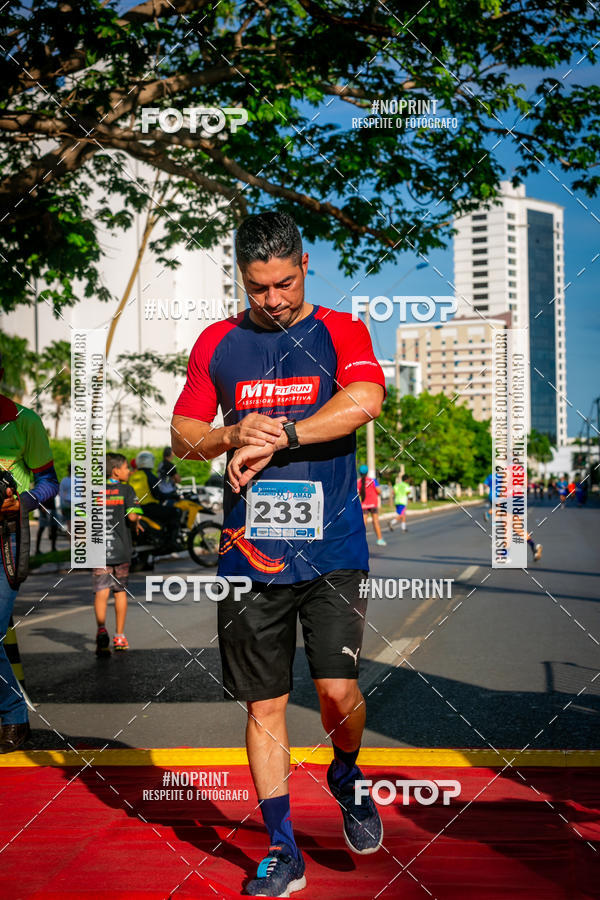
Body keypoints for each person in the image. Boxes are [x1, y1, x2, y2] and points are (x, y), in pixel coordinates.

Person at [172, 210, 385, 897]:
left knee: (335, 692)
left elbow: (365, 399)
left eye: (285, 283)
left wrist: (284, 437)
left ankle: (348, 773)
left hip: (333, 550)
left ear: (304, 265)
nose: (275, 299)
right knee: (263, 707)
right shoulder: (218, 343)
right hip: (248, 558)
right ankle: (283, 849)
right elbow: (182, 435)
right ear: (242, 276)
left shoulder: (340, 330)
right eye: (260, 287)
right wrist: (232, 434)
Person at [0, 356, 59, 752]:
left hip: (6, 537)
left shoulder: (24, 421)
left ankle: (13, 715)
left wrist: (20, 501)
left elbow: (49, 483)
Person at [93, 454, 142, 654]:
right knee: (120, 591)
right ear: (116, 471)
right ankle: (120, 636)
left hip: (98, 551)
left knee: (101, 591)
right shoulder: (126, 490)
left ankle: (101, 630)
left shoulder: (94, 491)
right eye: (125, 468)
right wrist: (137, 519)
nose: (129, 471)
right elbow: (131, 516)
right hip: (121, 550)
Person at [129, 451, 180, 535]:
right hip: (149, 508)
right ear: (150, 461)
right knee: (175, 512)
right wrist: (172, 495)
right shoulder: (150, 476)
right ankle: (171, 541)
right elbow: (157, 495)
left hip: (135, 508)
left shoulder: (132, 476)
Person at [357, 464, 386, 546]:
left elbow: (357, 493)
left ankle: (360, 540)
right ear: (367, 472)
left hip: (364, 505)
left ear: (359, 472)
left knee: (363, 523)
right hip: (373, 504)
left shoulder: (358, 482)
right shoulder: (372, 480)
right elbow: (379, 491)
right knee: (376, 522)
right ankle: (380, 539)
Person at [59, 463, 72, 531]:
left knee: (69, 527)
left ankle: (71, 541)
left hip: (67, 505)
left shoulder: (64, 480)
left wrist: (62, 507)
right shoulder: (80, 480)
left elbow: (61, 495)